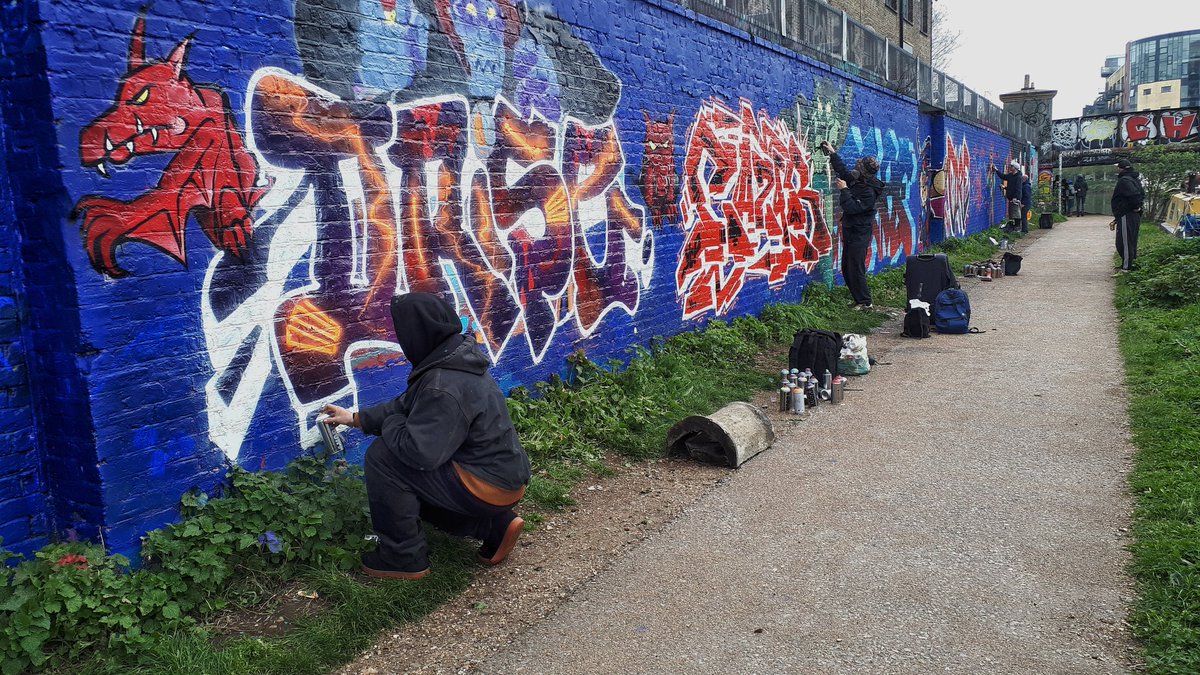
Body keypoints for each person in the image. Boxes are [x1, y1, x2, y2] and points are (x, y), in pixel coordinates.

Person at [322, 293, 532, 580]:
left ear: (417, 334)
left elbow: (419, 453)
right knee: (412, 472)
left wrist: (392, 425)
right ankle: (493, 527)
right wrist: (356, 419)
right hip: (503, 478)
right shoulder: (456, 358)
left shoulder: (442, 383)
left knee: (385, 458)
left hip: (488, 485)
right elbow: (407, 405)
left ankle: (402, 558)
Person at [819, 140, 882, 310]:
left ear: (864, 173)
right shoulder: (858, 181)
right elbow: (843, 171)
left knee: (855, 266)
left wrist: (844, 190)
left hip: (860, 232)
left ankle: (865, 302)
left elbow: (852, 208)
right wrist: (832, 153)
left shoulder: (869, 191)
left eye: (860, 167)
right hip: (852, 229)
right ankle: (859, 300)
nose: (856, 168)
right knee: (847, 267)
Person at [1111, 158, 1145, 274]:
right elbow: (1142, 194)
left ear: (1121, 168)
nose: (1117, 169)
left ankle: (1126, 268)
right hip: (1130, 215)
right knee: (1129, 240)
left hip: (1127, 214)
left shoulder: (1125, 181)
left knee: (1124, 242)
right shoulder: (1134, 179)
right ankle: (1127, 264)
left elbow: (1134, 195)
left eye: (1118, 167)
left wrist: (1135, 207)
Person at [990, 160, 1025, 231]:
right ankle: (1015, 227)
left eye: (1011, 166)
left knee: (1016, 213)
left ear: (1015, 168)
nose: (1010, 167)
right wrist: (996, 170)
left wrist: (1016, 197)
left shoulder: (1018, 177)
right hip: (1011, 197)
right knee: (1012, 213)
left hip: (1015, 198)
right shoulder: (1011, 175)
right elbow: (1003, 176)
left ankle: (1017, 227)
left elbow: (1018, 188)